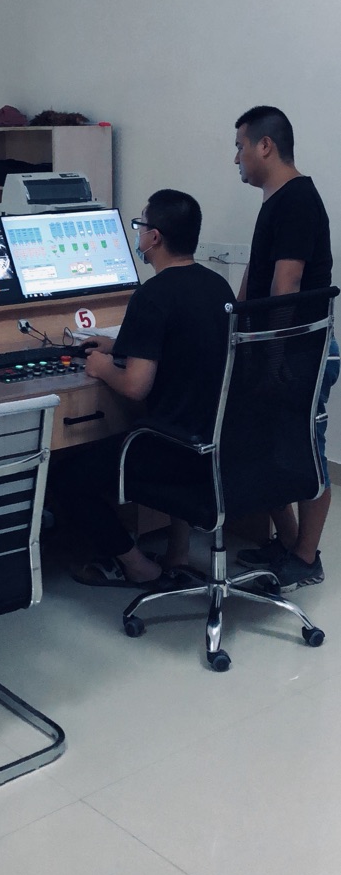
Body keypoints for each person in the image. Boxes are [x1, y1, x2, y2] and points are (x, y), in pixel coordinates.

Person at [50, 191, 233, 587]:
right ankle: (177, 552)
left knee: (64, 477)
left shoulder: (153, 295)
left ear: (154, 237)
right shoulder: (218, 287)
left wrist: (102, 367)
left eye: (140, 225)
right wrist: (121, 346)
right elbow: (183, 345)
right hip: (215, 444)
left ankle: (137, 566)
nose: (138, 234)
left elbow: (135, 386)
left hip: (171, 448)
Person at [231, 106, 334, 592]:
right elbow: (257, 274)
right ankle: (290, 546)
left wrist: (271, 357)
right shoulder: (277, 200)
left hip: (299, 354)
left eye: (240, 146)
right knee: (265, 448)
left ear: (265, 146)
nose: (236, 158)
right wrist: (233, 328)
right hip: (275, 350)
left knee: (305, 454)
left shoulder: (297, 200)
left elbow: (286, 285)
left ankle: (306, 558)